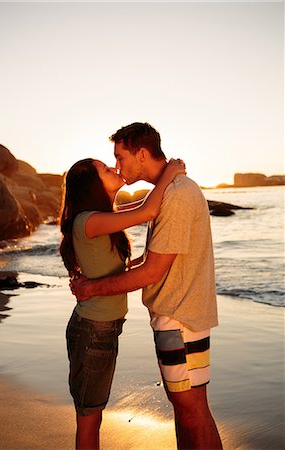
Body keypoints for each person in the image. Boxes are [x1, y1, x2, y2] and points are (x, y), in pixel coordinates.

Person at [71, 122, 223, 450]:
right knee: (190, 409)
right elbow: (150, 257)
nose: (118, 165)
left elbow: (151, 271)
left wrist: (92, 289)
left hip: (178, 317)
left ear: (141, 154)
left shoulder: (177, 195)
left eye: (120, 157)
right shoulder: (170, 192)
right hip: (179, 315)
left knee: (190, 410)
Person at [59, 156, 185, 450]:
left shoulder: (101, 220)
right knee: (89, 418)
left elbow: (119, 271)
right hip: (92, 331)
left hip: (103, 329)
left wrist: (158, 261)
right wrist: (169, 173)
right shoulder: (88, 220)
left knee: (93, 414)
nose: (114, 168)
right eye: (106, 169)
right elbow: (148, 210)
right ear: (92, 183)